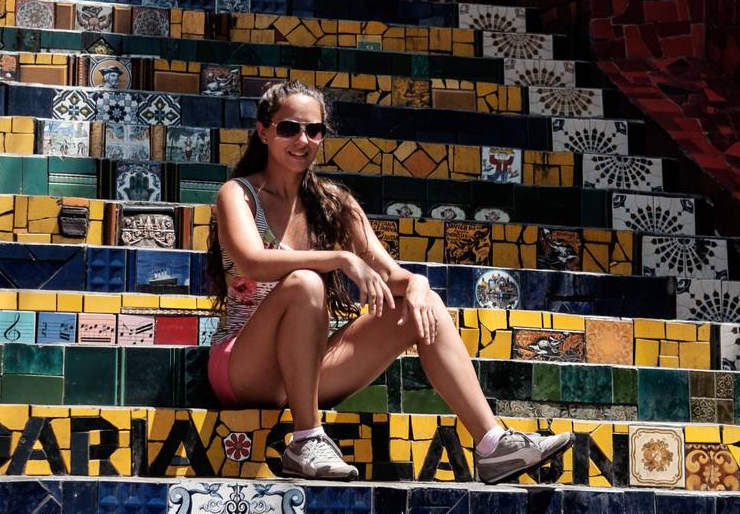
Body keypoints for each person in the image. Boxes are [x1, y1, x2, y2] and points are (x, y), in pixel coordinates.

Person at [208, 81, 573, 482]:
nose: (303, 139)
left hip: (309, 369)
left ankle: (491, 445)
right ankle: (306, 440)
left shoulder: (333, 203)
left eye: (314, 130)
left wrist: (416, 285)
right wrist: (341, 258)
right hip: (244, 364)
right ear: (264, 131)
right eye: (289, 128)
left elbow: (389, 273)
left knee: (425, 302)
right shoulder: (238, 194)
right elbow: (253, 261)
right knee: (305, 283)